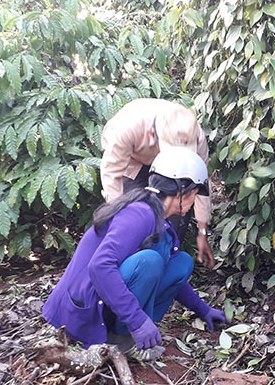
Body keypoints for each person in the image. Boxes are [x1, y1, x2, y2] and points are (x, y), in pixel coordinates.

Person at [43, 147, 226, 360]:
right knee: (149, 262)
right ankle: (120, 339)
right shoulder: (139, 214)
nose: (194, 202)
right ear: (181, 190)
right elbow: (100, 266)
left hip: (101, 301)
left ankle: (123, 332)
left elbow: (173, 272)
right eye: (194, 194)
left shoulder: (159, 219)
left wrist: (203, 310)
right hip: (82, 313)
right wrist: (137, 320)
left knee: (181, 262)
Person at [100, 98, 215, 268]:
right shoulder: (127, 127)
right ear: (153, 135)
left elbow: (200, 185)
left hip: (171, 170)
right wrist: (120, 219)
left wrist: (202, 231)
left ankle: (165, 262)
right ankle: (130, 268)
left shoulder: (195, 134)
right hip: (133, 163)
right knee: (136, 216)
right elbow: (112, 174)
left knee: (177, 209)